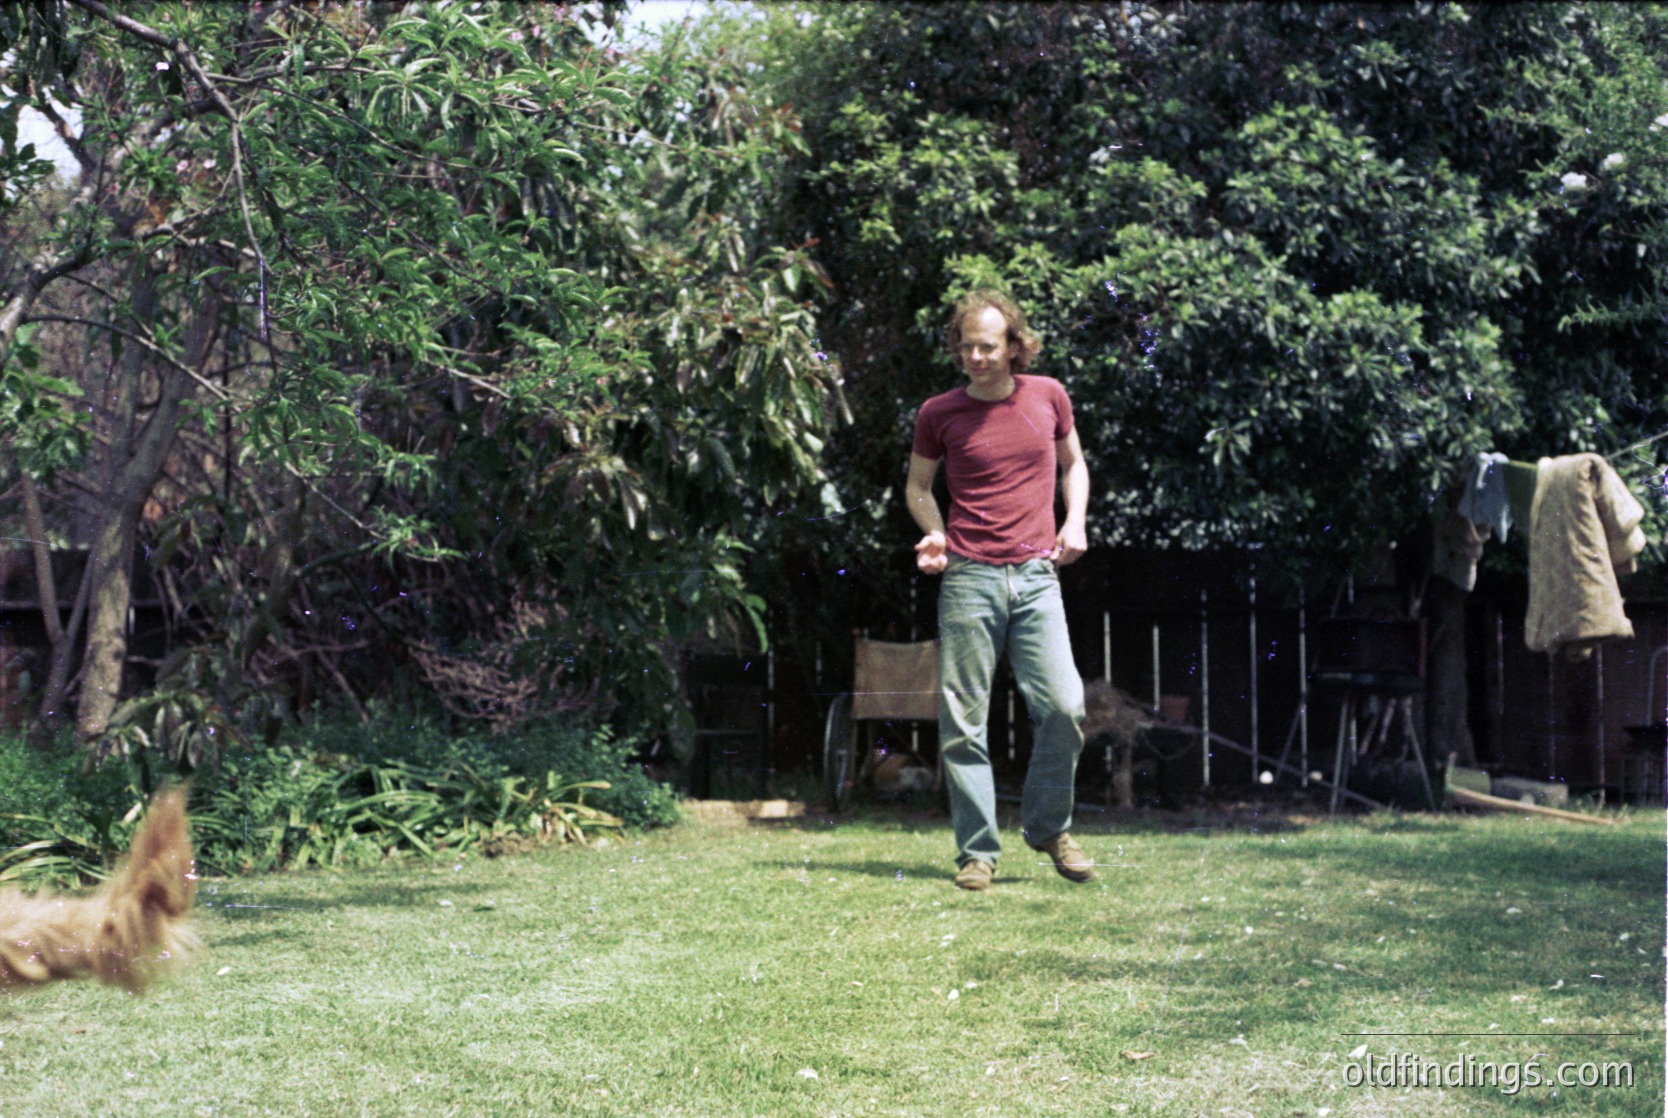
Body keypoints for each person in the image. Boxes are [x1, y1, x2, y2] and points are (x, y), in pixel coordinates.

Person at [906, 289, 1094, 891]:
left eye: (987, 346)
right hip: (968, 577)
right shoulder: (939, 412)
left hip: (1037, 577)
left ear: (1014, 345)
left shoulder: (1048, 395)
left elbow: (1073, 464)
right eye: (966, 347)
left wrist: (1075, 521)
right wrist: (936, 534)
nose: (975, 357)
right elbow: (917, 488)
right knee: (963, 721)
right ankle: (977, 854)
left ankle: (1048, 827)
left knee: (1065, 707)